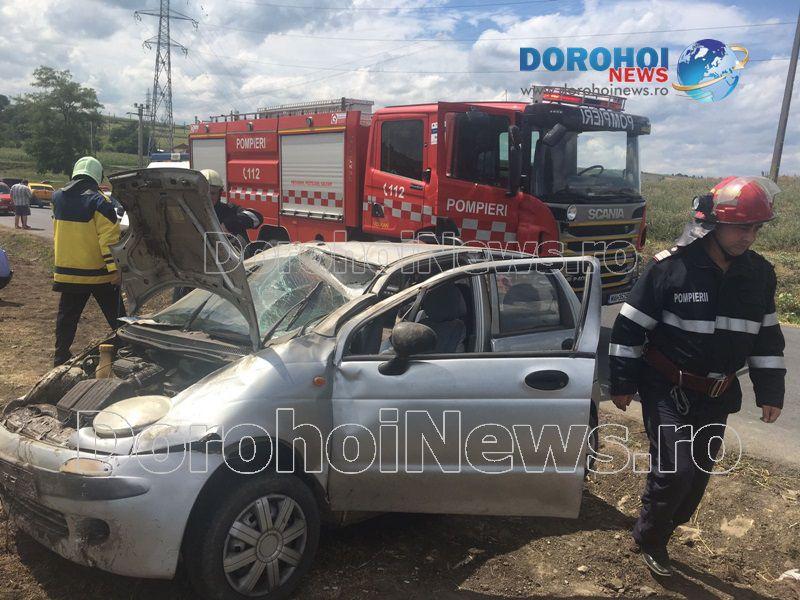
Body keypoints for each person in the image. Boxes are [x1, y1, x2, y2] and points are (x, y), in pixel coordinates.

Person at [609, 176, 785, 577]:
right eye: (741, 227)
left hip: (717, 394)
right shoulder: (671, 268)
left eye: (756, 228)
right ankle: (650, 538)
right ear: (714, 225)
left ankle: (664, 526)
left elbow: (767, 338)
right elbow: (629, 328)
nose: (749, 237)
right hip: (666, 388)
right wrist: (622, 382)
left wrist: (770, 391)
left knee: (696, 479)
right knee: (676, 470)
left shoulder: (760, 274)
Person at [52, 157, 126, 366]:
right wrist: (115, 270)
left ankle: (60, 358)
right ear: (98, 176)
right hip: (98, 274)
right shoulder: (100, 202)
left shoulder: (57, 197)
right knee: (118, 318)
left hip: (67, 274)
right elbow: (108, 240)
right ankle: (128, 350)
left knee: (67, 318)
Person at [172, 169, 263, 302]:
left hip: (226, 277)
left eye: (213, 193)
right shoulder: (186, 213)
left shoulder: (228, 210)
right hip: (194, 275)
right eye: (204, 192)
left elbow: (257, 217)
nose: (208, 196)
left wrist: (229, 224)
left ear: (220, 193)